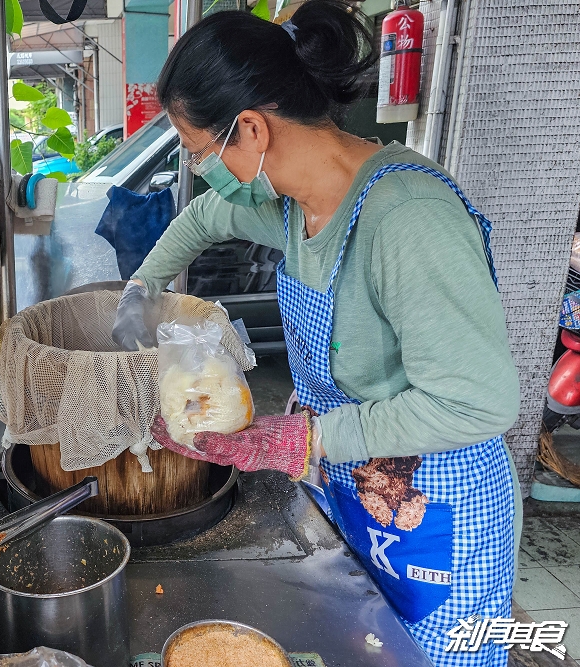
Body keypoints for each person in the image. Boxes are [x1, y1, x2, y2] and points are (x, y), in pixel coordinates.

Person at [112, 3, 522, 665]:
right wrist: (142, 290)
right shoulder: (296, 207)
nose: (204, 169)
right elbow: (202, 217)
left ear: (249, 127)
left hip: (440, 520)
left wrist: (306, 438)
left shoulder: (408, 220)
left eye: (199, 151)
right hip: (355, 489)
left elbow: (477, 401)